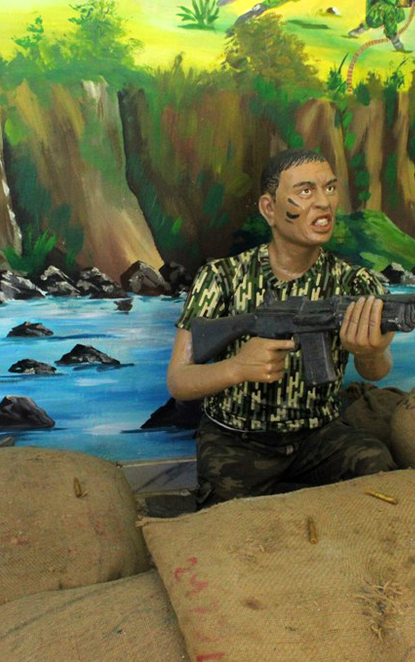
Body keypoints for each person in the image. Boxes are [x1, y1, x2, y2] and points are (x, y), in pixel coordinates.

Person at [167, 148, 398, 508]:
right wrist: (236, 368)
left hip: (319, 436)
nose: (323, 202)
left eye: (330, 188)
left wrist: (372, 351)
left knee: (378, 470)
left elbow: (376, 371)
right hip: (236, 439)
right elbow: (178, 380)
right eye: (305, 191)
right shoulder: (222, 277)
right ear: (269, 209)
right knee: (225, 516)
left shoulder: (356, 283)